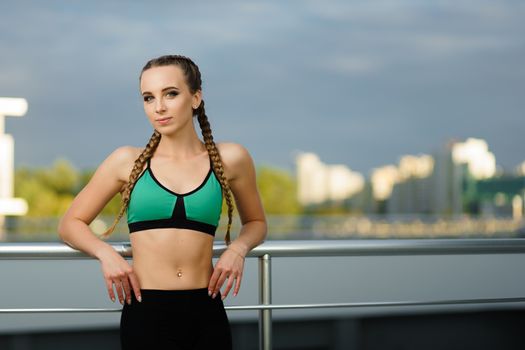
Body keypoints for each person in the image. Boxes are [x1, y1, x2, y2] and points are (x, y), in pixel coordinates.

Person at [57, 54, 267, 349]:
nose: (159, 107)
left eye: (171, 93)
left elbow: (256, 223)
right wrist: (107, 255)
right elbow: (70, 224)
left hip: (206, 310)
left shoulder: (230, 158)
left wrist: (238, 249)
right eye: (148, 97)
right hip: (145, 312)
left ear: (195, 98)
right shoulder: (126, 161)